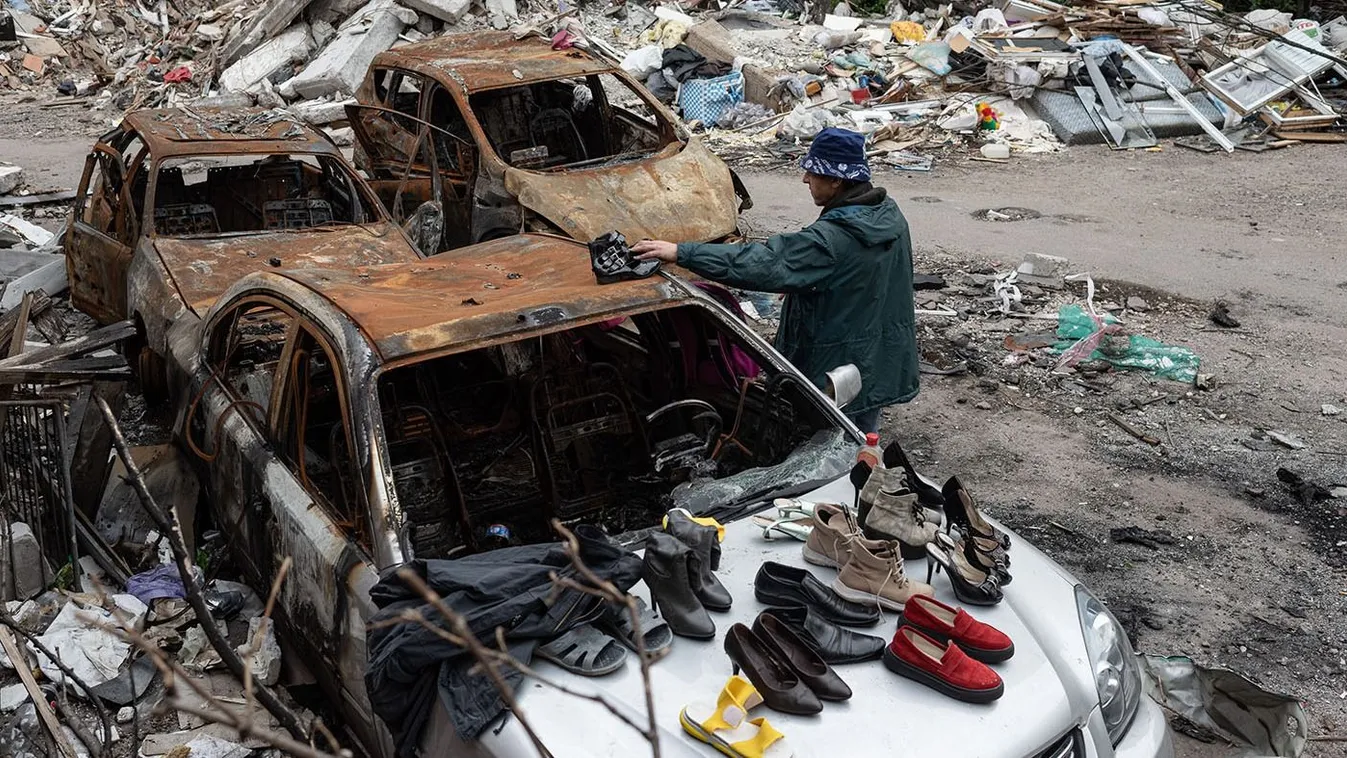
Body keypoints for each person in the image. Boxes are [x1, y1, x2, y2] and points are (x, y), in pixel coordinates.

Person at [632, 127, 917, 434]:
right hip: (878, 357)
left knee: (831, 443)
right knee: (864, 430)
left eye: (813, 172)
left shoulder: (832, 238)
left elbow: (762, 262)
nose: (805, 179)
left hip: (836, 370)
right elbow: (866, 275)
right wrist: (810, 281)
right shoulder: (887, 214)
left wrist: (681, 252)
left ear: (837, 181)